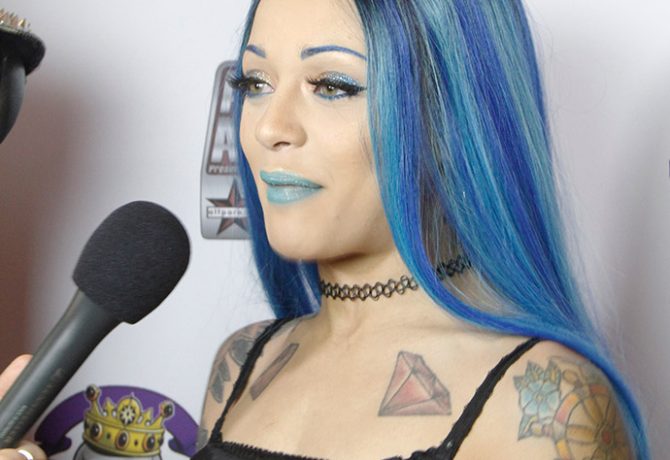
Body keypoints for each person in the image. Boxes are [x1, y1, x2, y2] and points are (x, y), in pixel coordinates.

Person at [193, 0, 648, 459]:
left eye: (332, 86)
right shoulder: (241, 366)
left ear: (454, 117)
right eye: (255, 83)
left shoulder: (545, 408)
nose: (270, 127)